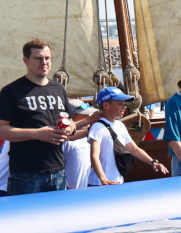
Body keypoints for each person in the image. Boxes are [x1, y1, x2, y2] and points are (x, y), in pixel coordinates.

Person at [0, 39, 76, 194]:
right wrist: (37, 134)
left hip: (58, 171)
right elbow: (1, 130)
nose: (44, 62)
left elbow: (71, 121)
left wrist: (70, 128)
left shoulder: (58, 89)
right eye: (38, 58)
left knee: (58, 218)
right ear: (26, 61)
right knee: (23, 218)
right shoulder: (11, 91)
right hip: (26, 175)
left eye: (47, 58)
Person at [89, 86, 169, 185]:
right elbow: (94, 155)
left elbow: (134, 149)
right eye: (119, 104)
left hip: (117, 181)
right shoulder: (97, 127)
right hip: (98, 183)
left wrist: (153, 162)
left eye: (124, 104)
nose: (124, 107)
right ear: (106, 106)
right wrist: (103, 179)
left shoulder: (120, 125)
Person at [62, 100, 101, 189]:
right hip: (70, 193)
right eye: (84, 115)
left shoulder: (91, 137)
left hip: (88, 190)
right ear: (72, 117)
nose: (89, 118)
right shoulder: (65, 140)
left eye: (89, 115)